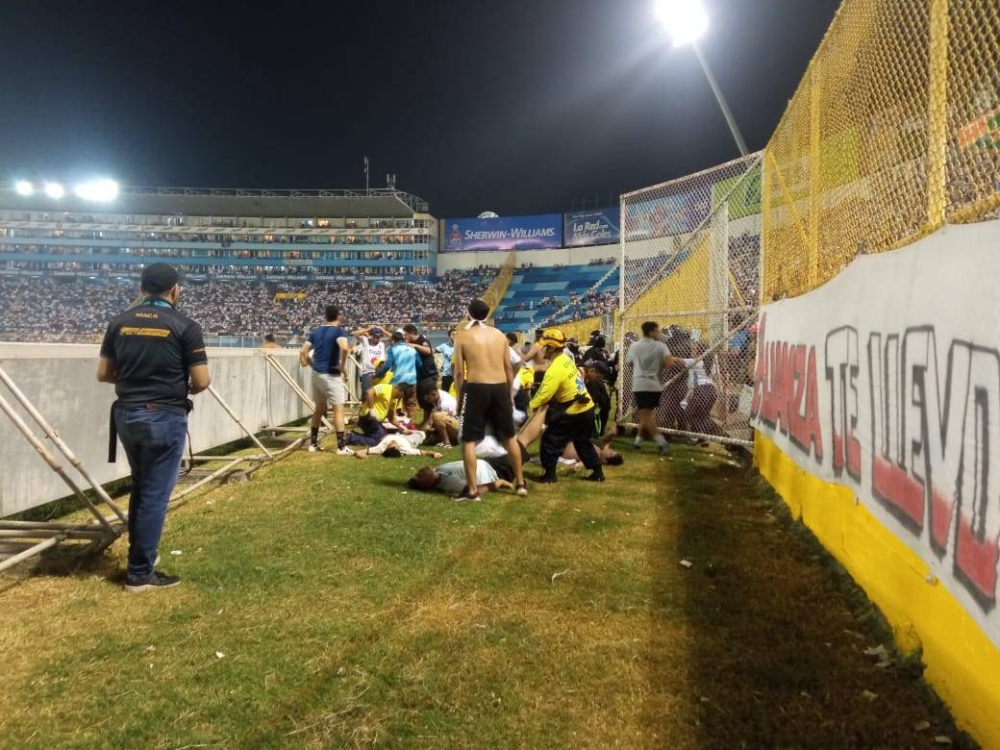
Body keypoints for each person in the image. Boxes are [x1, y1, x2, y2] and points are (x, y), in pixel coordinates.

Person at [97, 262, 211, 592]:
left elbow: (104, 373)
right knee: (154, 496)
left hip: (127, 415)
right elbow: (202, 381)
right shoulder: (185, 325)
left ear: (141, 288)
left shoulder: (119, 322)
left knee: (142, 486)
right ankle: (140, 573)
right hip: (164, 416)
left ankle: (141, 555)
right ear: (175, 290)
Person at [453, 298, 527, 500]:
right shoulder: (499, 335)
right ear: (487, 315)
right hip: (500, 387)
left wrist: (460, 399)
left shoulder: (463, 336)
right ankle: (520, 483)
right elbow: (508, 367)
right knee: (509, 437)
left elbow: (459, 373)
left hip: (476, 387)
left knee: (469, 439)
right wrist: (510, 395)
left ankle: (472, 491)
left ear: (468, 314)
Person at [529, 328, 604, 483]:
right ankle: (598, 472)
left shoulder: (555, 368)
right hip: (587, 407)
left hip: (574, 410)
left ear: (550, 348)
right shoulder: (566, 360)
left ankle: (549, 475)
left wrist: (531, 404)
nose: (542, 348)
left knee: (550, 438)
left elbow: (545, 394)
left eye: (545, 346)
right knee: (582, 442)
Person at [300, 305, 352, 454]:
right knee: (338, 410)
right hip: (331, 375)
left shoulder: (315, 332)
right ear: (338, 316)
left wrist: (313, 365)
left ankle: (313, 444)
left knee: (319, 409)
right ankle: (341, 447)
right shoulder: (338, 331)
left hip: (317, 375)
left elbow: (303, 351)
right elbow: (344, 348)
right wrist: (342, 365)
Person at [626, 321, 672, 456]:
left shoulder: (635, 346)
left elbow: (629, 363)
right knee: (647, 414)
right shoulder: (661, 346)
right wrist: (658, 366)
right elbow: (669, 363)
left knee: (646, 415)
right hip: (655, 384)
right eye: (656, 331)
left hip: (640, 384)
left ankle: (661, 442)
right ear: (651, 332)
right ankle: (638, 441)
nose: (658, 333)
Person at [407, 459, 514, 500]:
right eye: (420, 476)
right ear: (428, 483)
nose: (420, 471)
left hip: (489, 462)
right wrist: (500, 482)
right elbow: (474, 491)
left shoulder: (438, 471)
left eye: (418, 473)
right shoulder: (447, 482)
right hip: (496, 472)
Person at [376, 330, 419, 421]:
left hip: (398, 380)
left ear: (393, 340)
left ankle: (392, 423)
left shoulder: (393, 349)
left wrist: (378, 374)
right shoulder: (412, 349)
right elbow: (419, 364)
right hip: (412, 380)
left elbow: (388, 365)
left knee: (393, 402)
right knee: (410, 403)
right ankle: (409, 423)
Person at [404, 323, 439, 423]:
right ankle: (427, 421)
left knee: (428, 398)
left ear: (411, 333)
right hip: (420, 375)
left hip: (429, 374)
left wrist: (415, 345)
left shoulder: (422, 339)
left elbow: (428, 351)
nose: (405, 337)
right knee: (421, 399)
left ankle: (428, 421)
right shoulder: (410, 343)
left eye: (406, 335)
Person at [353, 324, 386, 409]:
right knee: (366, 394)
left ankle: (376, 413)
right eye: (375, 337)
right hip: (367, 372)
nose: (376, 339)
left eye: (378, 337)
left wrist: (383, 330)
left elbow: (394, 337)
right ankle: (364, 414)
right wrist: (368, 328)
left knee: (379, 394)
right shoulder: (366, 341)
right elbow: (355, 334)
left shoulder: (382, 344)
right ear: (371, 335)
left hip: (379, 373)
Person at [353, 430, 443, 460]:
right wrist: (434, 453)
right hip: (409, 441)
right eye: (394, 444)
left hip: (396, 434)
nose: (393, 442)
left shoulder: (380, 448)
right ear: (398, 449)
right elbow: (423, 452)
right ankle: (432, 434)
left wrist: (363, 455)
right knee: (421, 434)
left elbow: (359, 452)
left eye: (391, 444)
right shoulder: (405, 450)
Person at [583, 360, 612, 437]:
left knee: (606, 403)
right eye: (599, 377)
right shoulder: (580, 374)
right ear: (592, 371)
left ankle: (599, 430)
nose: (600, 379)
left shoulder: (595, 380)